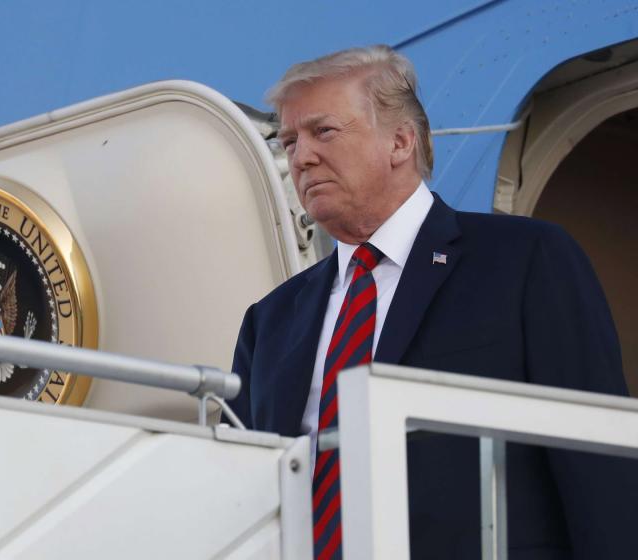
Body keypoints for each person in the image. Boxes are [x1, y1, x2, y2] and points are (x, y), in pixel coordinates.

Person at [228, 45, 638, 560]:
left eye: (323, 131)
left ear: (400, 141)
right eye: (289, 141)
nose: (301, 156)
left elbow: (598, 462)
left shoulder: (527, 260)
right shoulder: (268, 321)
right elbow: (238, 495)